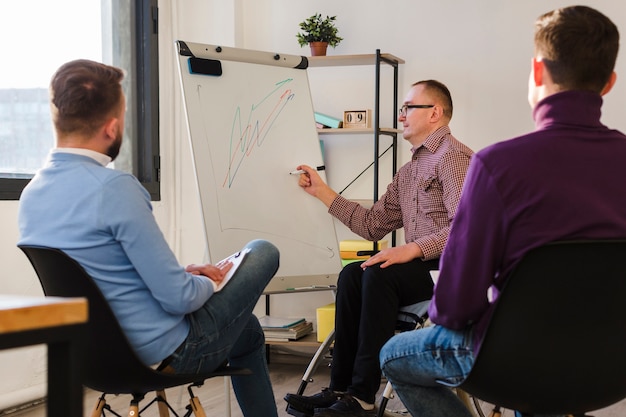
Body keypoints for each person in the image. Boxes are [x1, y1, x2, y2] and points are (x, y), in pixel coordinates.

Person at [379, 5, 626, 417]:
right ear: (609, 83)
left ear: (537, 72)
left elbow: (456, 307)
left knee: (392, 356)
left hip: (515, 359)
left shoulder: (498, 165)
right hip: (611, 364)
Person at [17, 59, 281, 417]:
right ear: (111, 128)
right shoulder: (115, 188)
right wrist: (211, 283)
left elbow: (105, 275)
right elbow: (179, 300)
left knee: (247, 331)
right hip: (162, 354)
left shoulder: (32, 194)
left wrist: (187, 274)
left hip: (88, 359)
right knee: (263, 251)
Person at [284, 80, 474, 417]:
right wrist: (322, 192)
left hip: (450, 270)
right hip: (419, 266)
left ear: (435, 113)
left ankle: (362, 396)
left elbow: (466, 228)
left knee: (380, 274)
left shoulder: (453, 158)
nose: (401, 115)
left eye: (408, 108)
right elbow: (372, 224)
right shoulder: (410, 170)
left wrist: (412, 249)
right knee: (352, 275)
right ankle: (340, 389)